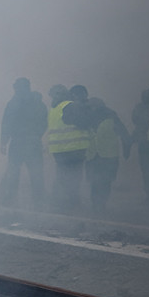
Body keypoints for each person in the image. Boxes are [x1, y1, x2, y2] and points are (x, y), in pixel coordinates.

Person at [0, 78, 47, 207]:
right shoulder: (38, 103)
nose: (16, 89)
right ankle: (38, 200)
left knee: (17, 171)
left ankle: (12, 199)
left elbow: (7, 123)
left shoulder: (14, 103)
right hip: (31, 141)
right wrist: (37, 135)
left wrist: (4, 141)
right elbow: (44, 123)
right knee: (34, 172)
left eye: (18, 87)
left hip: (20, 142)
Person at [46, 84, 92, 214]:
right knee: (74, 177)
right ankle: (72, 203)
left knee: (62, 175)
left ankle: (58, 202)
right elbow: (82, 122)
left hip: (58, 149)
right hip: (74, 147)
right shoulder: (69, 105)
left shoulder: (54, 108)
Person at [84, 96, 130, 216]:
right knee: (96, 181)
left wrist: (126, 149)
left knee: (104, 182)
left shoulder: (110, 116)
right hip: (94, 156)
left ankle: (100, 205)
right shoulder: (86, 117)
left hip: (107, 156)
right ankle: (97, 206)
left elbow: (123, 133)